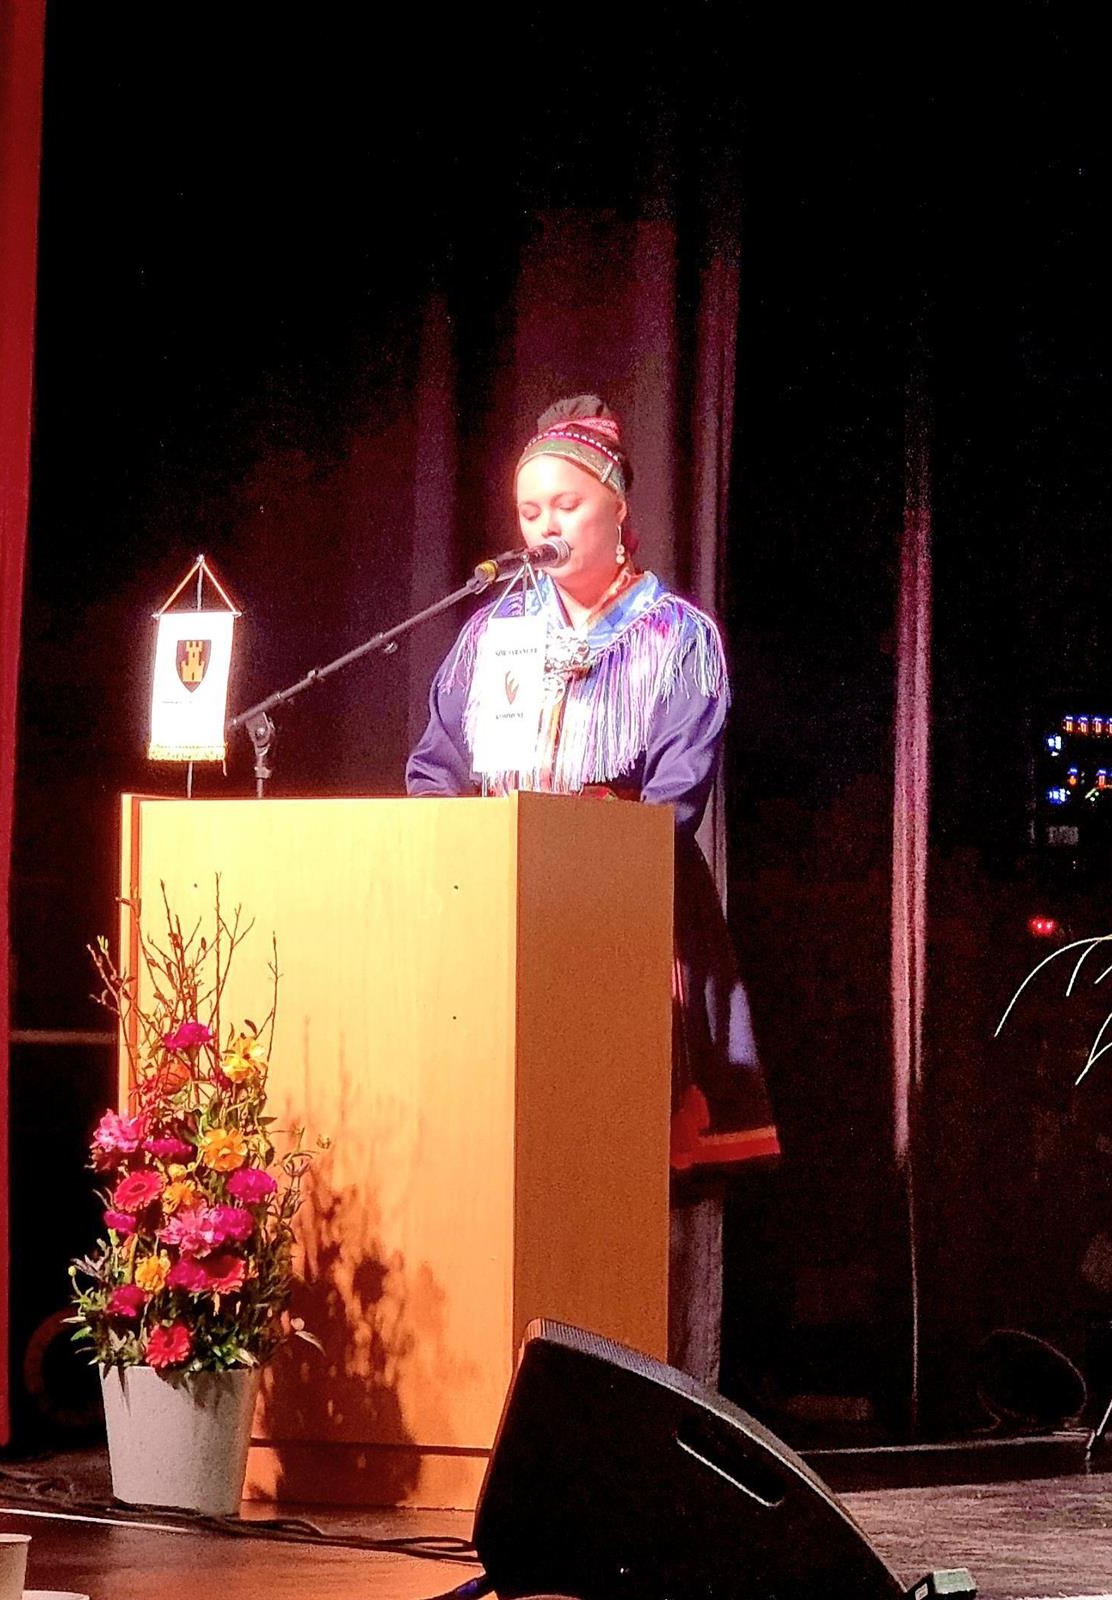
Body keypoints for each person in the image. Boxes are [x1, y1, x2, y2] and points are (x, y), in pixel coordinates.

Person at [406, 394, 779, 1387]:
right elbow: (435, 769)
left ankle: (659, 1399)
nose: (546, 527)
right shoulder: (490, 636)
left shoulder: (676, 638)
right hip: (502, 925)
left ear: (617, 508)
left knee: (641, 1174)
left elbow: (677, 794)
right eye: (530, 511)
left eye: (566, 505)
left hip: (632, 920)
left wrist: (579, 860)